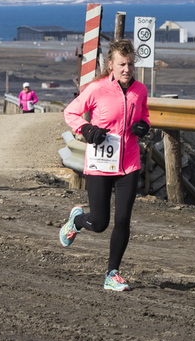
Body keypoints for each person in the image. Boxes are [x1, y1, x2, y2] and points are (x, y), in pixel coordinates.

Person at [60, 39, 150, 291]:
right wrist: (87, 129)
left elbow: (144, 116)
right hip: (100, 164)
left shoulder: (140, 91)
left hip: (128, 164)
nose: (127, 69)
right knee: (100, 223)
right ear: (111, 64)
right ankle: (76, 222)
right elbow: (71, 113)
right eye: (122, 64)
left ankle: (112, 274)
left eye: (131, 64)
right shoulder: (97, 89)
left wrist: (144, 126)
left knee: (122, 219)